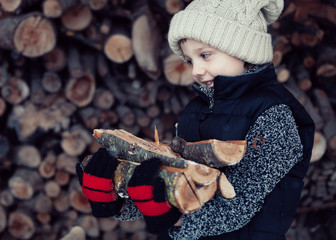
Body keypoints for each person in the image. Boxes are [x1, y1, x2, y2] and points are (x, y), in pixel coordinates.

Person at [76, 0, 315, 239]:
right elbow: (175, 187)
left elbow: (241, 203)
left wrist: (170, 217)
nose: (195, 71)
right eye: (190, 60)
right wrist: (118, 199)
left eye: (205, 55)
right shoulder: (196, 110)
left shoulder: (274, 115)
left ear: (242, 49)